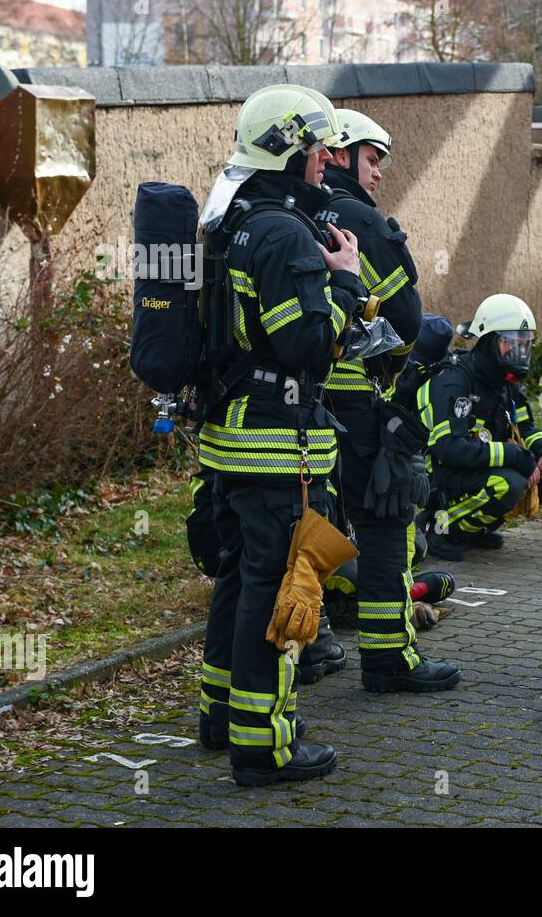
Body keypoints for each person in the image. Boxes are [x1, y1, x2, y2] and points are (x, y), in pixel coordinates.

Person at [196, 83, 366, 786]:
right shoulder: (283, 231)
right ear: (292, 148)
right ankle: (262, 749)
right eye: (320, 146)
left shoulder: (233, 219)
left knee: (238, 579)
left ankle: (218, 715)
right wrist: (347, 286)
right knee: (271, 592)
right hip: (271, 446)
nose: (327, 159)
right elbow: (303, 344)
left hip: (229, 439)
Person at [315, 109, 460, 694]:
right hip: (358, 402)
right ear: (344, 154)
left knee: (308, 524)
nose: (378, 172)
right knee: (385, 522)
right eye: (373, 158)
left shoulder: (288, 211)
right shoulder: (356, 218)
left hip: (297, 410)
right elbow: (403, 316)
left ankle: (312, 642)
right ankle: (388, 658)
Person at [416, 294, 542, 561]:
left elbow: (524, 428)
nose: (518, 353)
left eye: (525, 345)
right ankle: (439, 528)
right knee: (508, 483)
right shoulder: (456, 381)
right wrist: (516, 457)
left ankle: (477, 528)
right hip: (438, 476)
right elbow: (449, 448)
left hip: (472, 468)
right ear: (488, 343)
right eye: (510, 344)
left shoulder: (503, 382)